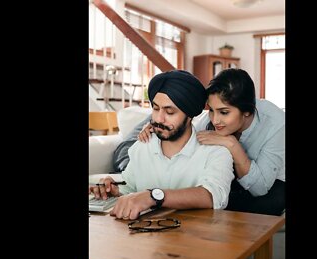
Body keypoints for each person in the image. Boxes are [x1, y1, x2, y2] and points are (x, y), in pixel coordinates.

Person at [89, 70, 234, 220]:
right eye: (156, 108)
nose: (159, 118)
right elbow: (130, 186)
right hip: (145, 237)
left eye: (169, 112)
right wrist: (113, 190)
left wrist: (153, 196)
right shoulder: (143, 145)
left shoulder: (216, 152)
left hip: (194, 238)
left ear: (190, 115)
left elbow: (213, 196)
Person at [138, 68, 285, 216]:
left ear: (247, 111)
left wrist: (232, 145)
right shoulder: (208, 122)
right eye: (211, 110)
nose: (215, 120)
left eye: (224, 112)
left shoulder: (276, 124)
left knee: (270, 203)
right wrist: (160, 127)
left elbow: (260, 188)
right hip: (232, 178)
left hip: (271, 183)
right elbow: (187, 137)